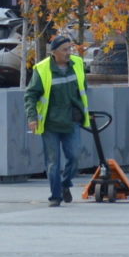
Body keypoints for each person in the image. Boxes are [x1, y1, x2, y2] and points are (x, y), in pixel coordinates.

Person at [24, 34, 90, 207]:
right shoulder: (43, 69)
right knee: (53, 162)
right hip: (51, 123)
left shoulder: (77, 64)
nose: (69, 53)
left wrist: (83, 112)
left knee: (74, 157)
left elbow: (83, 89)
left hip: (71, 121)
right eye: (65, 50)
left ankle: (65, 184)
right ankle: (55, 196)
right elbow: (30, 95)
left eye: (70, 49)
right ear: (54, 52)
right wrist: (32, 117)